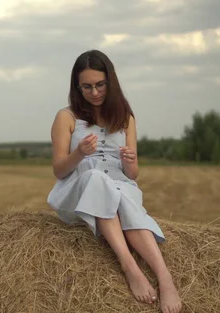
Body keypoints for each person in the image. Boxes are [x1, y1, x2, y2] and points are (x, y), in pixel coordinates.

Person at [47, 50, 182, 313]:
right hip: (78, 192)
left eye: (100, 85)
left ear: (111, 81)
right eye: (86, 86)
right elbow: (59, 170)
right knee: (98, 180)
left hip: (120, 185)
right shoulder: (66, 117)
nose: (94, 92)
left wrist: (130, 162)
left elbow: (133, 175)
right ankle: (129, 266)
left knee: (126, 201)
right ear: (77, 87)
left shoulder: (126, 118)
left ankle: (166, 279)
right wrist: (79, 153)